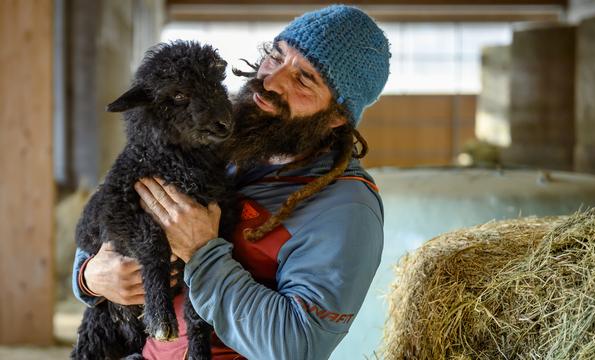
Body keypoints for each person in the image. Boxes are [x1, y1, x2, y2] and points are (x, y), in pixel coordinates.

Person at [72, 5, 390, 359]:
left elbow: (296, 346)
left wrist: (202, 254)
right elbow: (115, 200)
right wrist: (90, 275)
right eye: (276, 55)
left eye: (303, 79)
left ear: (336, 117)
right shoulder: (224, 134)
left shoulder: (345, 208)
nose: (271, 80)